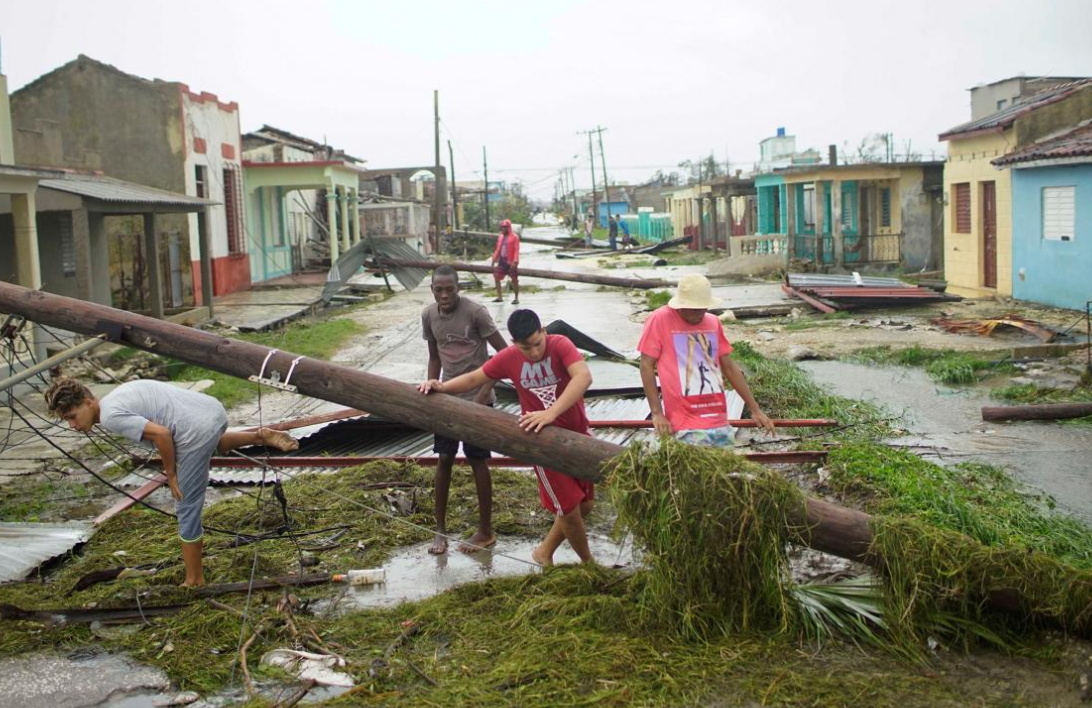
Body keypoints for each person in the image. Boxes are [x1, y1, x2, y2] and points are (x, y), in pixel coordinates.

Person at [44, 377, 300, 587]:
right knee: (207, 444)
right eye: (67, 420)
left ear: (89, 402)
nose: (73, 425)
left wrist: (171, 474)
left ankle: (194, 579)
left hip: (195, 429)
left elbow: (163, 435)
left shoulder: (111, 416)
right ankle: (258, 436)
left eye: (73, 416)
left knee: (185, 505)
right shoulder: (117, 395)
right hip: (212, 411)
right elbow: (169, 432)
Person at [419, 309, 595, 566]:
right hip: (541, 442)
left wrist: (551, 412)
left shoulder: (560, 345)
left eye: (537, 344)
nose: (534, 353)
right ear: (514, 343)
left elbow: (584, 376)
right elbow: (475, 377)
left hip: (578, 435)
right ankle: (589, 565)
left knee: (586, 505)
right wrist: (441, 386)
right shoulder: (509, 357)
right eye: (526, 348)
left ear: (544, 331)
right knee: (568, 510)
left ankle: (543, 551)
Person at [422, 264, 509, 555]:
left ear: (458, 287)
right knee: (444, 457)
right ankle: (440, 530)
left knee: (478, 460)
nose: (444, 295)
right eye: (439, 289)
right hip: (447, 399)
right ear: (432, 289)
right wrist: (431, 383)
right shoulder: (429, 315)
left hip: (478, 399)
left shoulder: (476, 313)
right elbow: (434, 356)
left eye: (449, 289)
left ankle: (486, 530)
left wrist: (484, 393)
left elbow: (505, 355)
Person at [638, 274, 774, 447]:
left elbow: (730, 368)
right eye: (694, 310)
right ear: (681, 305)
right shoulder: (660, 320)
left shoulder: (713, 322)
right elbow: (646, 365)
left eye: (703, 308)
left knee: (723, 470)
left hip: (717, 419)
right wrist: (657, 412)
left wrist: (755, 409)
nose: (700, 314)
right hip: (684, 422)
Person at [491, 219, 521, 304]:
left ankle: (516, 298)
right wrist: (494, 259)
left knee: (514, 279)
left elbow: (516, 250)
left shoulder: (515, 237)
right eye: (502, 227)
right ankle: (499, 297)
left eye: (505, 227)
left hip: (511, 262)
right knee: (496, 276)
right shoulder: (500, 237)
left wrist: (515, 261)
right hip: (502, 261)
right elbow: (498, 249)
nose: (503, 229)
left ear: (509, 228)